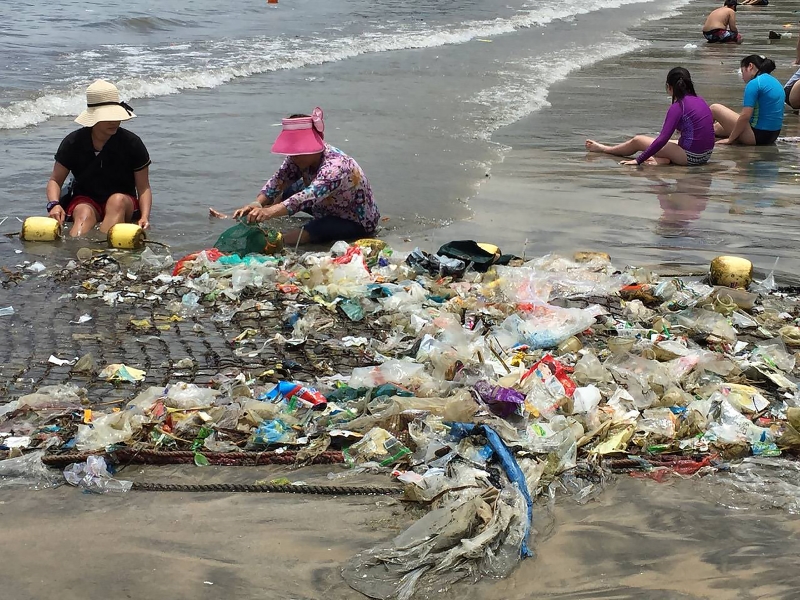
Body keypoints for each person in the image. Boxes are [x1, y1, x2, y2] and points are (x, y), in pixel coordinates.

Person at [232, 107, 380, 245]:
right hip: (324, 206)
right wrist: (257, 204)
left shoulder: (335, 167)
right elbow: (280, 179)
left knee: (319, 227)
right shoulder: (299, 158)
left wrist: (270, 212)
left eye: (299, 151)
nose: (294, 156)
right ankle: (259, 218)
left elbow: (307, 196)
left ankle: (276, 242)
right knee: (289, 189)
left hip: (354, 220)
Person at [46, 80, 152, 237]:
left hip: (123, 201)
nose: (114, 121)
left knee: (116, 201)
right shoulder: (73, 142)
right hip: (85, 199)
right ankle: (76, 253)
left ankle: (102, 252)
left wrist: (144, 217)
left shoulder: (132, 143)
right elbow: (55, 180)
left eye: (116, 115)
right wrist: (54, 204)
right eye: (108, 116)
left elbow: (143, 188)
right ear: (93, 118)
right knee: (83, 213)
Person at [585, 67, 715, 166]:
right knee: (662, 143)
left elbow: (662, 139)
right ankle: (663, 160)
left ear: (669, 87)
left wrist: (638, 160)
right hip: (706, 155)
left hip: (691, 157)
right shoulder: (700, 100)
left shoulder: (678, 106)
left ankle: (604, 149)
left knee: (638, 141)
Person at [710, 55, 784, 146]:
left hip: (756, 136)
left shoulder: (755, 83)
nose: (742, 77)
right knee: (717, 128)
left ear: (750, 66)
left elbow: (745, 116)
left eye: (742, 71)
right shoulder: (775, 82)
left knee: (714, 108)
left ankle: (699, 136)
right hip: (772, 136)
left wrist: (730, 139)